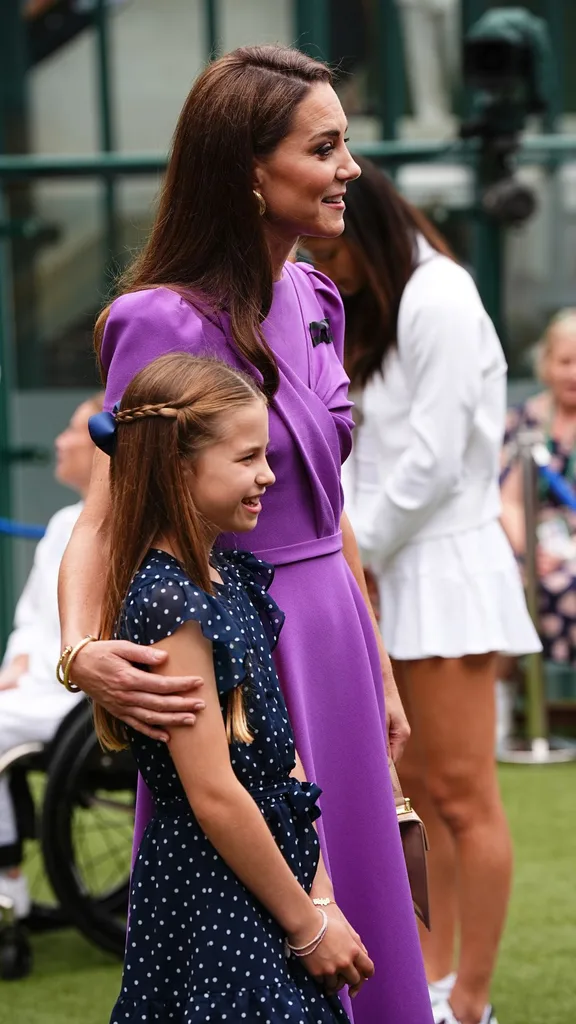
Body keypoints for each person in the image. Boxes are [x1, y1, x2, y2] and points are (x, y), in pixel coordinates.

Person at [57, 46, 432, 1023]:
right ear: (249, 171)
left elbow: (329, 500)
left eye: (347, 142)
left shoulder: (320, 299)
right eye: (326, 145)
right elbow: (106, 509)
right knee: (254, 939)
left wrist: (379, 665)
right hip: (228, 655)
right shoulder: (156, 320)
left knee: (364, 911)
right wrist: (80, 648)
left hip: (335, 647)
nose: (352, 166)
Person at [303, 156, 541, 1024]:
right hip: (383, 572)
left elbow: (436, 462)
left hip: (442, 573)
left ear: (363, 223)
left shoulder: (438, 296)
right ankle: (433, 985)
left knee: (461, 794)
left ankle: (470, 999)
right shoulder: (379, 306)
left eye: (334, 248)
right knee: (410, 797)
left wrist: (351, 559)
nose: (326, 269)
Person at [90, 352, 374, 1023]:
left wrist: (321, 896)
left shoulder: (233, 577)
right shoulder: (171, 604)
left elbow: (282, 762)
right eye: (247, 459)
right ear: (178, 467)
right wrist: (306, 925)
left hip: (279, 875)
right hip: (217, 892)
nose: (269, 477)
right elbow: (215, 795)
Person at [0, 392, 102, 932]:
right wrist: (15, 662)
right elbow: (29, 618)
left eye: (73, 430)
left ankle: (7, 885)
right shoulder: (63, 521)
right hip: (34, 686)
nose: (60, 441)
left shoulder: (118, 529)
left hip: (73, 700)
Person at [501, 309, 576, 664]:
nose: (574, 373)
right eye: (565, 361)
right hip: (530, 548)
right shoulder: (525, 419)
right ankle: (507, 703)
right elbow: (509, 500)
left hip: (570, 553)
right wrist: (531, 551)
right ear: (547, 363)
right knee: (502, 587)